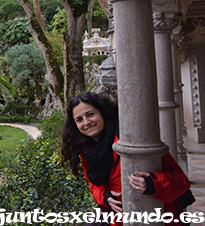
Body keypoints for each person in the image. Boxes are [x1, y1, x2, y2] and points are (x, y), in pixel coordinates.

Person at [61, 91, 194, 225]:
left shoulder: (133, 139)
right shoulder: (86, 150)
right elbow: (94, 186)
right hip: (116, 216)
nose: (87, 122)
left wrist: (152, 183)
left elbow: (181, 181)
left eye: (90, 114)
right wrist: (105, 197)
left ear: (102, 112)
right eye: (79, 120)